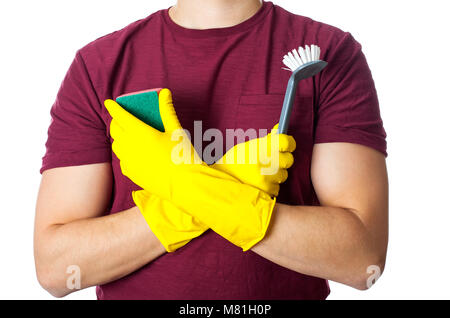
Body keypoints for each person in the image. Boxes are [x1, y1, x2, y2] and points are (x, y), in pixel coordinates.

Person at [35, 0, 388, 300]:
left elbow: (361, 260)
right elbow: (57, 268)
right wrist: (227, 183)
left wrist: (182, 181)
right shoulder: (98, 66)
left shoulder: (331, 54)